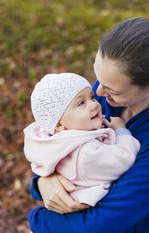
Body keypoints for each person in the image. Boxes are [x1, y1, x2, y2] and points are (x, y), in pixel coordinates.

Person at [28, 17, 149, 233]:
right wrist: (43, 180)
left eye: (112, 90)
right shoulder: (105, 95)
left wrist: (38, 219)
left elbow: (102, 225)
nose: (98, 93)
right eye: (98, 79)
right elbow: (61, 138)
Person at [24, 73, 140, 207]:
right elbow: (124, 159)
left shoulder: (61, 143)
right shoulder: (85, 153)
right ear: (59, 125)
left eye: (92, 97)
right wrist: (121, 131)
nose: (93, 105)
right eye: (81, 103)